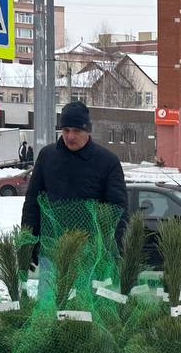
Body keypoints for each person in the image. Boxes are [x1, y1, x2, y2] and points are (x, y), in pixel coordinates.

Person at [21, 101, 127, 246]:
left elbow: (118, 209)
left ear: (87, 131)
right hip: (52, 247)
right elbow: (32, 201)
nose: (70, 136)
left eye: (77, 131)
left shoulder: (107, 162)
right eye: (66, 130)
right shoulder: (47, 156)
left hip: (92, 252)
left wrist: (116, 247)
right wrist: (28, 240)